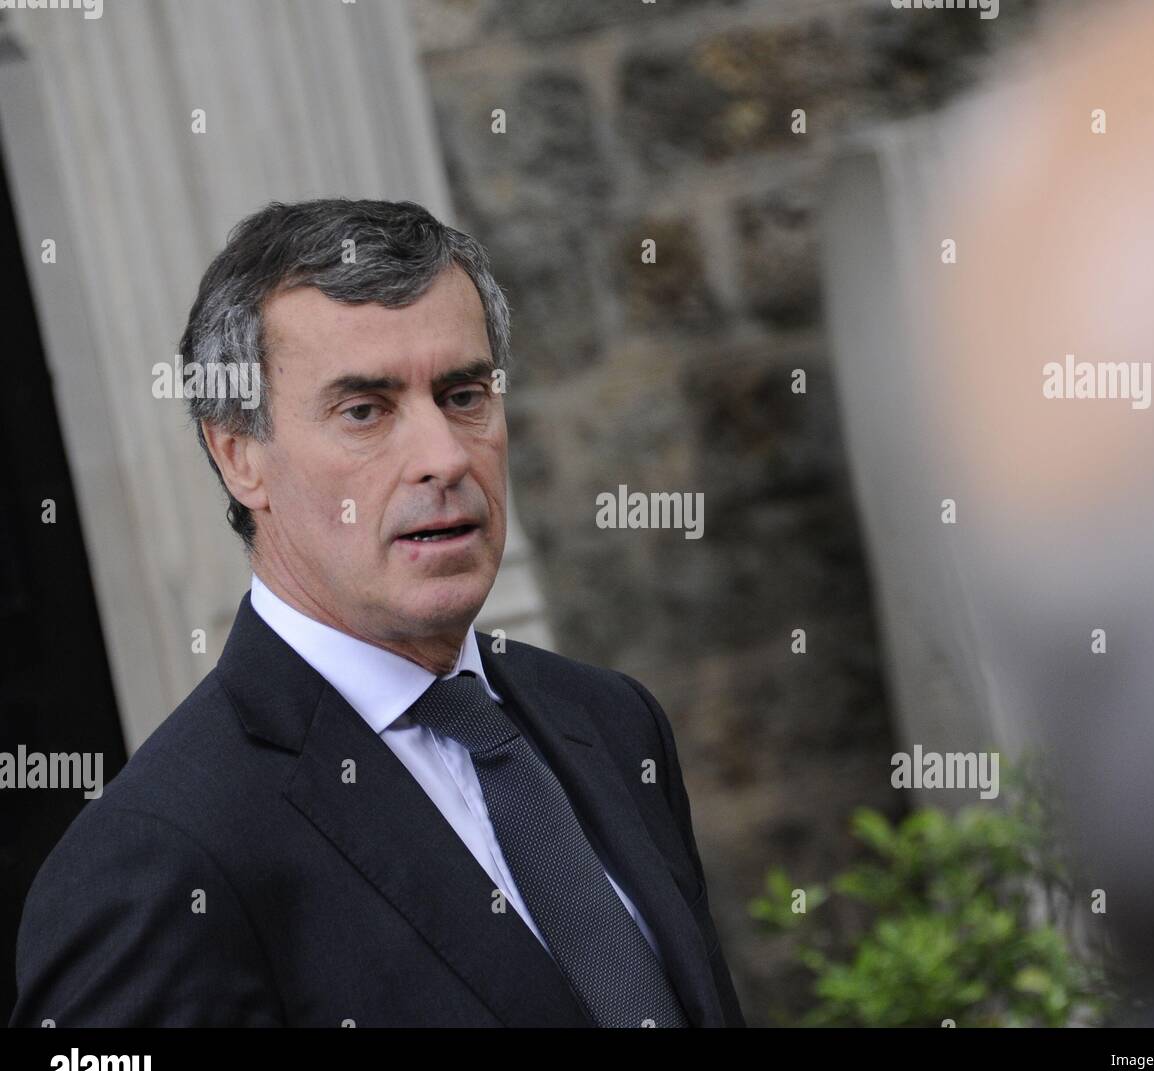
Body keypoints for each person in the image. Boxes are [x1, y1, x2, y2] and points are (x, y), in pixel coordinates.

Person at [9, 199, 745, 1028]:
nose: (442, 457)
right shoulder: (158, 859)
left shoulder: (612, 722)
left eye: (464, 394)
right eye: (365, 410)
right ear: (238, 454)